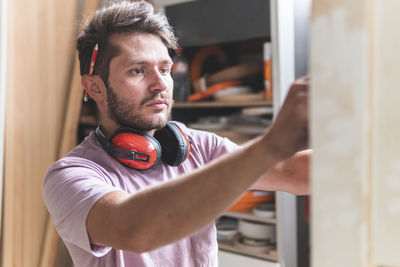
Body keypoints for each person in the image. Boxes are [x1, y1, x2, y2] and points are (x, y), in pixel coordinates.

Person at [42, 1, 310, 266]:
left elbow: (291, 172)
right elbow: (134, 229)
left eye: (165, 69)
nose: (160, 84)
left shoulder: (198, 146)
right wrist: (270, 145)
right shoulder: (69, 175)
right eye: (138, 70)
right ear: (95, 87)